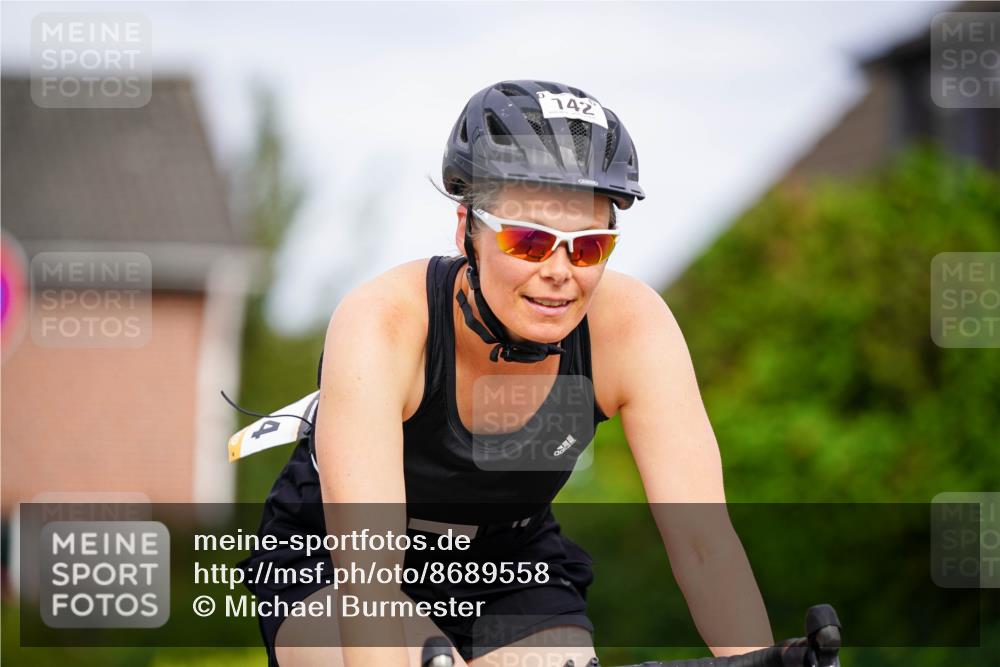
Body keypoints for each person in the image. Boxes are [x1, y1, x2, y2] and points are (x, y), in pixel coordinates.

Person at [238, 80, 774, 667]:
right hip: (338, 562)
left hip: (508, 560)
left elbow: (703, 545)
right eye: (529, 240)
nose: (560, 272)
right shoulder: (383, 322)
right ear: (466, 226)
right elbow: (369, 579)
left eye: (590, 247)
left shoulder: (631, 327)